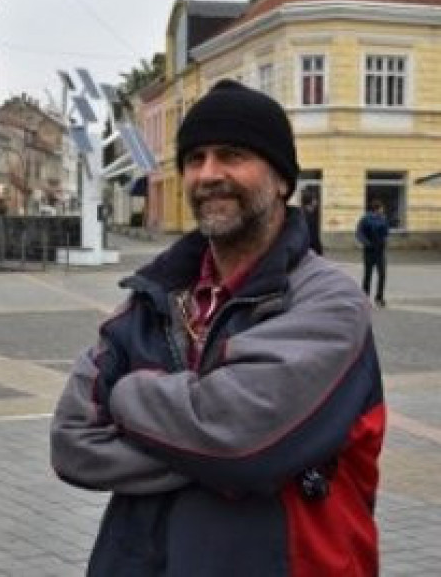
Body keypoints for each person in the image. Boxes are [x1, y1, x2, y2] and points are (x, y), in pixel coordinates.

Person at [51, 80, 385, 576]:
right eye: (195, 159)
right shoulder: (152, 296)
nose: (208, 174)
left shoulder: (329, 304)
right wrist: (211, 450)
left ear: (282, 180)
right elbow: (73, 442)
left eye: (231, 155)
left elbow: (240, 442)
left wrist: (124, 396)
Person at [356, 199, 390, 307]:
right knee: (368, 275)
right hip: (370, 251)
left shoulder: (383, 219)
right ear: (377, 209)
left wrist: (385, 239)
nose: (383, 210)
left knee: (382, 275)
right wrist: (367, 243)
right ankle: (365, 298)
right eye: (381, 208)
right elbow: (359, 233)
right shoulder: (366, 219)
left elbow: (386, 232)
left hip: (380, 251)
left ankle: (379, 297)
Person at [300, 189, 323, 255]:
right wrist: (319, 251)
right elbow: (313, 236)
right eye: (315, 199)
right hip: (310, 250)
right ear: (311, 201)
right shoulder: (308, 217)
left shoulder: (303, 214)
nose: (317, 202)